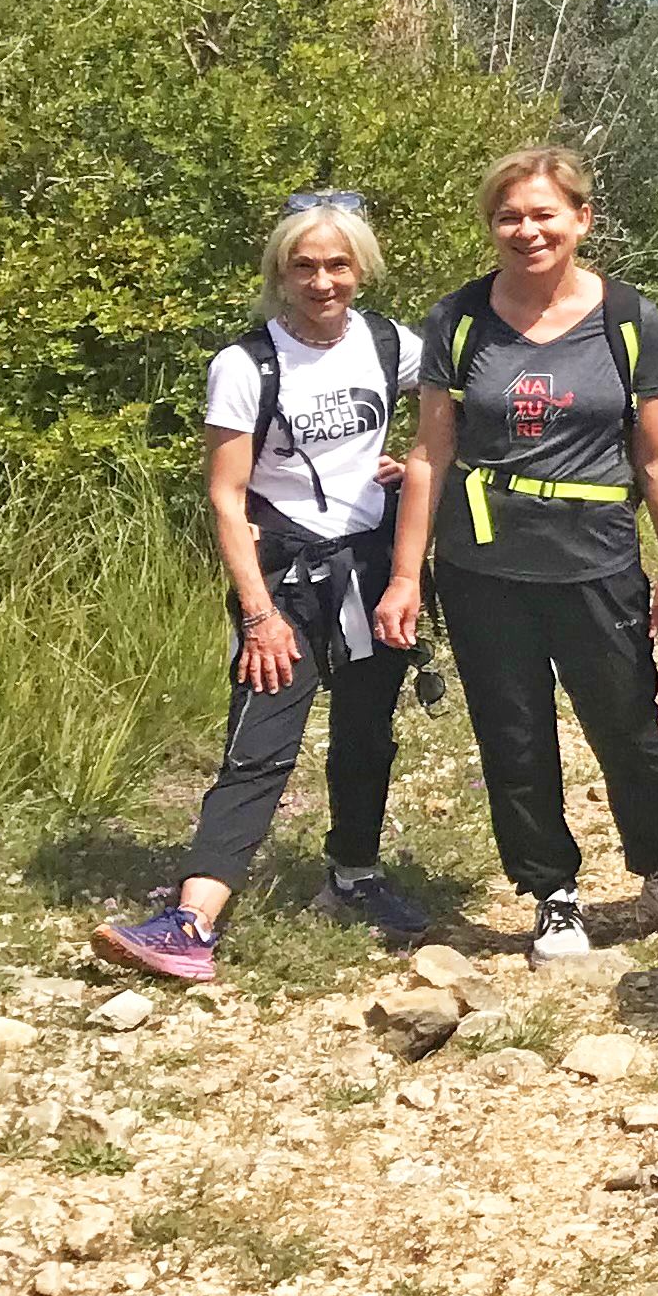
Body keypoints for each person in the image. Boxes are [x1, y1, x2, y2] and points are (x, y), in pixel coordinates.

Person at [385, 147, 658, 962]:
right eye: (509, 217)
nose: (527, 231)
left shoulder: (627, 318)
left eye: (543, 214)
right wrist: (405, 576)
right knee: (515, 733)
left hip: (597, 557)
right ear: (490, 227)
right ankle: (552, 893)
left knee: (627, 722)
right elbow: (431, 452)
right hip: (484, 565)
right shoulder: (459, 320)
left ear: (581, 219)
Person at [96, 194, 436, 981]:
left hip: (373, 569)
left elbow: (461, 408)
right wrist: (258, 616)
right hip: (282, 576)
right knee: (257, 746)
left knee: (365, 732)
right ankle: (192, 919)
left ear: (363, 269)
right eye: (305, 266)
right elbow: (225, 493)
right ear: (280, 273)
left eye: (339, 265)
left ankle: (353, 877)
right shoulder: (245, 364)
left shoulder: (393, 346)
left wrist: (410, 463)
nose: (323, 282)